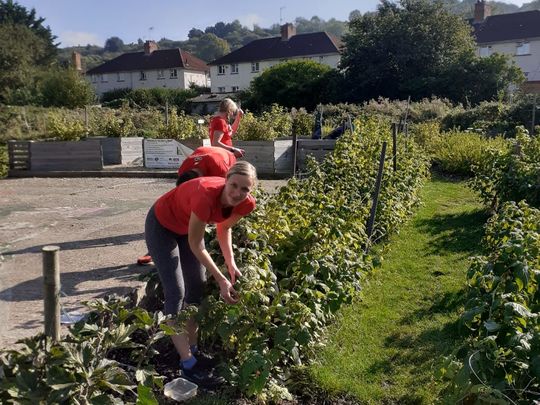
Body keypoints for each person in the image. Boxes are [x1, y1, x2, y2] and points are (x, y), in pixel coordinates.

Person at [144, 161, 257, 387]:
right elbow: (197, 245)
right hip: (162, 226)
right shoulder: (206, 197)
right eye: (234, 185)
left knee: (197, 287)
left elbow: (224, 228)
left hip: (186, 228)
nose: (237, 193)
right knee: (176, 292)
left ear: (251, 190)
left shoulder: (246, 204)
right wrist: (222, 279)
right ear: (226, 180)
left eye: (245, 189)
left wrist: (230, 262)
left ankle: (193, 350)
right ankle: (187, 364)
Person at [137, 146, 238, 266]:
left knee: (213, 210)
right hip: (206, 155)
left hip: (225, 158)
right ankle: (156, 249)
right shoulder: (183, 170)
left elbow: (225, 198)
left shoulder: (221, 172)